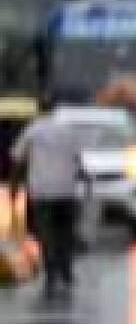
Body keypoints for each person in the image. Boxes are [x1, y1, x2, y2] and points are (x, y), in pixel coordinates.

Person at [9, 97, 85, 296]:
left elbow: (18, 160)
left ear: (38, 110)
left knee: (46, 232)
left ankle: (51, 271)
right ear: (55, 110)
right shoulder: (68, 131)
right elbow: (78, 160)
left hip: (42, 191)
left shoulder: (32, 131)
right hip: (66, 190)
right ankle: (66, 269)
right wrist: (84, 181)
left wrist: (13, 188)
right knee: (65, 232)